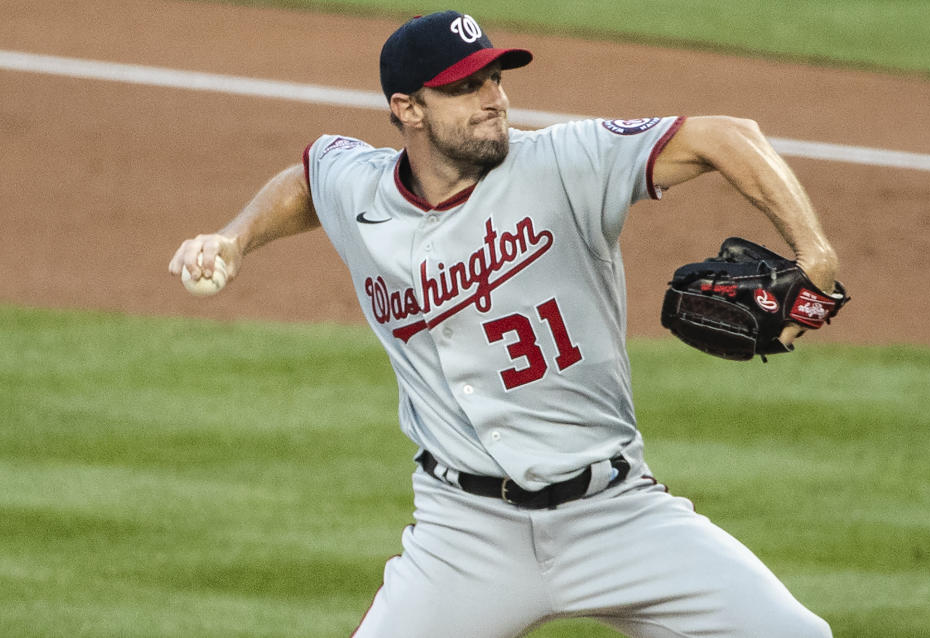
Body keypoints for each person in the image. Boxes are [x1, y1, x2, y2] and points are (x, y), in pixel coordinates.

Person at [169, 10, 839, 637]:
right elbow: (311, 180)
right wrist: (234, 239)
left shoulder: (564, 162)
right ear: (408, 111)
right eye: (463, 87)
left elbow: (729, 135)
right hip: (463, 535)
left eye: (494, 77)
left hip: (616, 514)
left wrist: (816, 253)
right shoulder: (363, 189)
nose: (492, 97)